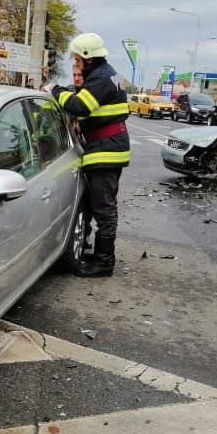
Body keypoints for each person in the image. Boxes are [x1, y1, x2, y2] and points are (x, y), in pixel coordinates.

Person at [50, 33, 130, 277]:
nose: (75, 64)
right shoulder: (105, 74)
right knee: (95, 203)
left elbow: (79, 106)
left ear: (88, 58)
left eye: (76, 60)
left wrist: (55, 90)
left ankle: (104, 261)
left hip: (106, 149)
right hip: (106, 146)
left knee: (104, 207)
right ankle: (91, 249)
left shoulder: (101, 78)